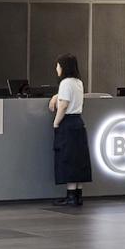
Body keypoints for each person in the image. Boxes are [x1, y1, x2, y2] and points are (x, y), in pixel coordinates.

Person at [49, 55, 91, 208]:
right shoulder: (78, 82)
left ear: (64, 67)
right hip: (78, 122)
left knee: (68, 159)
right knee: (78, 160)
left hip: (67, 123)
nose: (56, 69)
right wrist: (56, 95)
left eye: (58, 66)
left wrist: (56, 122)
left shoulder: (65, 83)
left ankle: (70, 196)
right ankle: (77, 195)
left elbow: (64, 105)